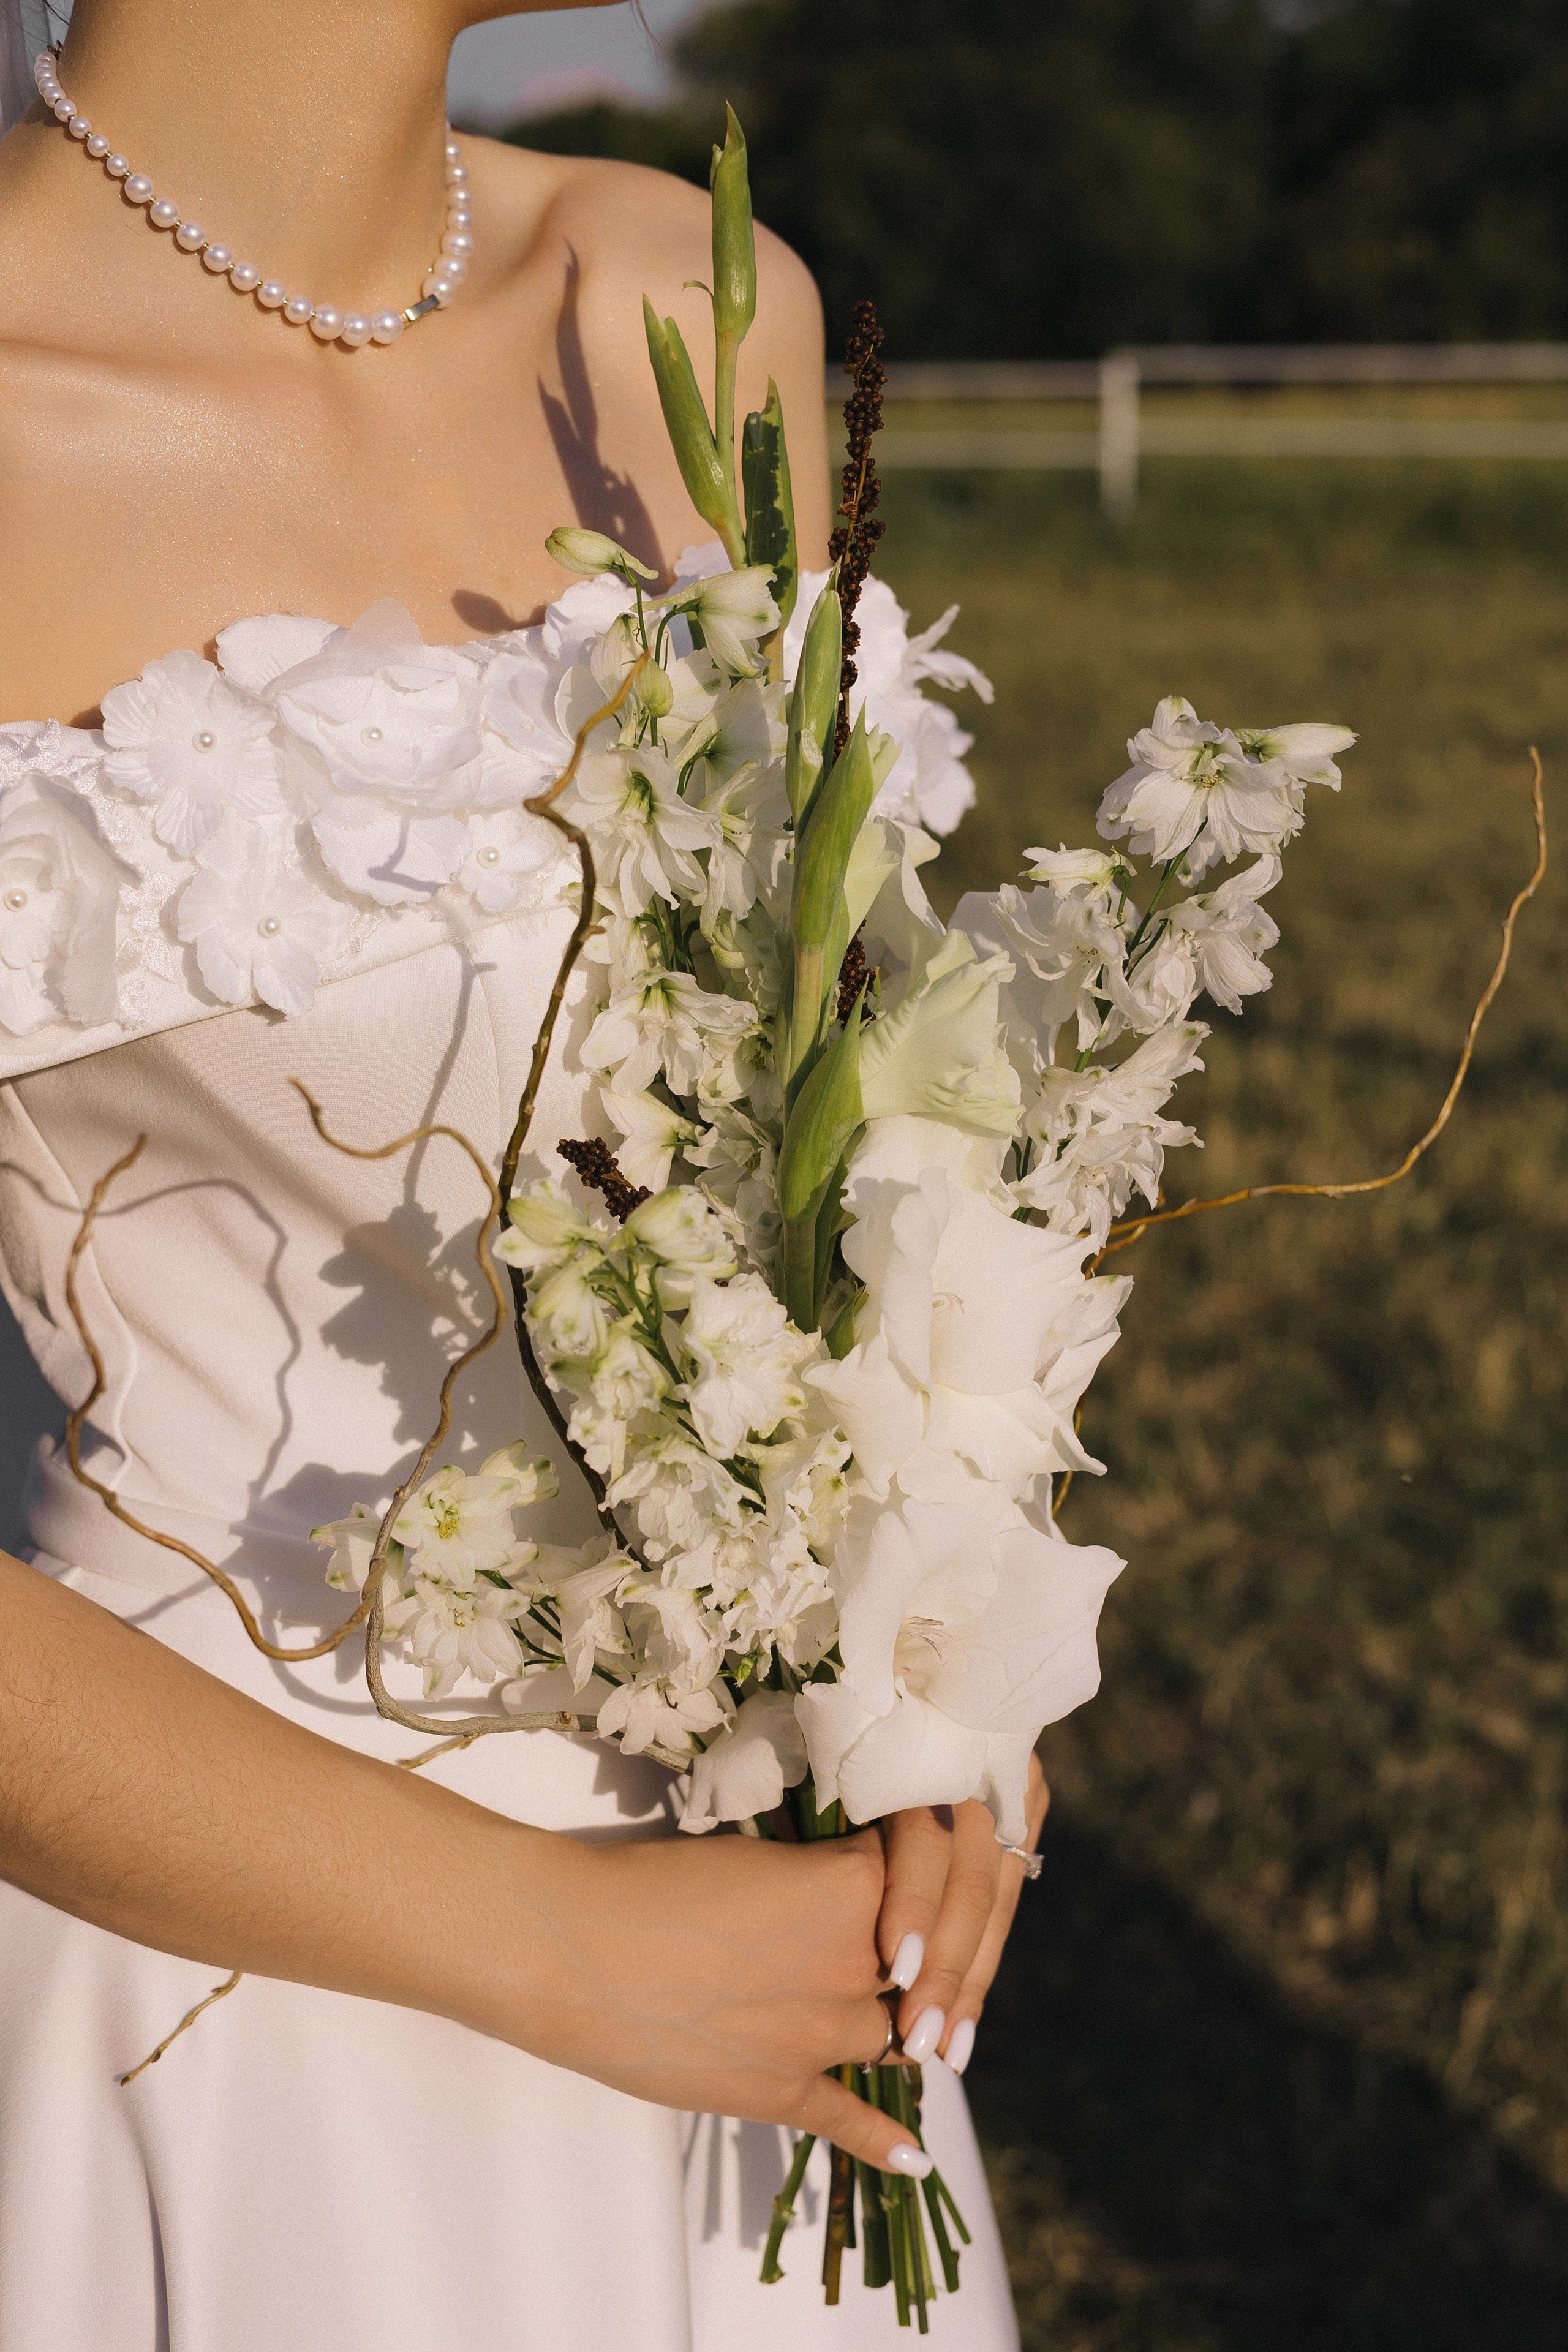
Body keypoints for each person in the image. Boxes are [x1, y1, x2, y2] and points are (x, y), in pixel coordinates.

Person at [0, 5, 1042, 2343]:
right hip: (236, 2005)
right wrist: (558, 1949)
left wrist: (948, 1671)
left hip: (790, 1988)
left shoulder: (693, 307)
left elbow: (843, 1144)